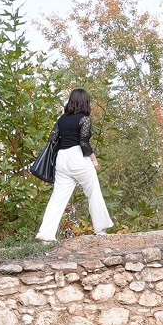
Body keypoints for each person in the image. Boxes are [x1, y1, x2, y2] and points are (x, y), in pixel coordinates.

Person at [36, 88, 114, 240]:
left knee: (57, 198)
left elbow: (53, 139)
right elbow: (83, 142)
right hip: (78, 157)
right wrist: (94, 159)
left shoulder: (61, 119)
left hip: (62, 159)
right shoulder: (84, 119)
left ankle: (45, 233)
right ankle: (101, 228)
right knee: (93, 192)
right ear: (85, 102)